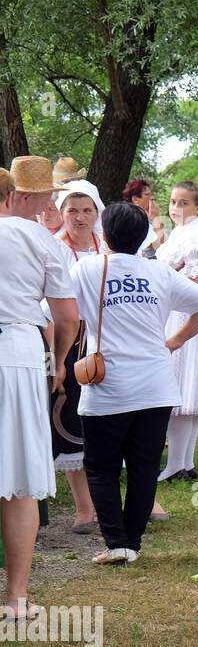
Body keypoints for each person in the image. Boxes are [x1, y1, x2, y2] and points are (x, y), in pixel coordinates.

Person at [70, 202, 198, 565]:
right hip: (156, 385)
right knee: (143, 465)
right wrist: (175, 341)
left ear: (104, 234)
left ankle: (117, 543)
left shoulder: (86, 269)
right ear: (142, 238)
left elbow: (56, 313)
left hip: (108, 386)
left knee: (102, 466)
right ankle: (131, 544)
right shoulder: (159, 272)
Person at [0, 158, 80, 621]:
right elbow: (67, 316)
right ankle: (16, 597)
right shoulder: (42, 241)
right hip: (19, 351)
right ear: (13, 196)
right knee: (19, 483)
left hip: (19, 346)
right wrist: (62, 358)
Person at [154, 181, 198, 485]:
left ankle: (176, 464)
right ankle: (184, 461)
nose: (176, 208)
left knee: (180, 392)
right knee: (184, 394)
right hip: (182, 314)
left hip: (187, 317)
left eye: (184, 203)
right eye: (173, 202)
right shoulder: (184, 232)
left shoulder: (196, 235)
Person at [50, 179, 106, 533]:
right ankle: (85, 507)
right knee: (72, 417)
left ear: (97, 213)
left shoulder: (109, 247)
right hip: (69, 338)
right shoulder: (54, 249)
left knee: (114, 417)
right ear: (61, 213)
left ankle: (134, 498)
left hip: (108, 340)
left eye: (87, 210)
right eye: (72, 210)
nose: (80, 217)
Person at [123, 179, 164, 256]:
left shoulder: (146, 219)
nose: (152, 198)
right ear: (135, 199)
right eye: (147, 195)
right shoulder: (132, 220)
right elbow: (157, 245)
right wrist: (156, 218)